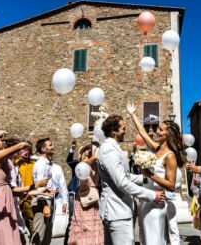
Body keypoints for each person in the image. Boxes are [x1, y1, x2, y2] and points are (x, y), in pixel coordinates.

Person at [97, 114, 165, 245]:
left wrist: (149, 179)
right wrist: (151, 195)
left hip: (120, 211)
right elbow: (122, 183)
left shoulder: (114, 148)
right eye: (123, 128)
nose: (125, 131)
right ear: (113, 131)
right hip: (117, 212)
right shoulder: (109, 150)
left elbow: (128, 177)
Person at [127, 103, 187, 245]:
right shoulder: (156, 148)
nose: (156, 132)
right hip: (147, 200)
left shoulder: (170, 156)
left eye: (161, 130)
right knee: (148, 240)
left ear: (168, 134)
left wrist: (150, 175)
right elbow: (142, 132)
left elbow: (171, 186)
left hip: (158, 203)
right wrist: (133, 114)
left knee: (155, 241)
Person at [68, 143, 104, 245]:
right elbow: (95, 157)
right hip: (84, 196)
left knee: (93, 225)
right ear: (83, 153)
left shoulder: (96, 165)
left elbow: (97, 158)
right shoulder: (82, 163)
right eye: (86, 149)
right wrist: (98, 145)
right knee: (84, 225)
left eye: (90, 149)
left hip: (95, 197)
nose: (89, 150)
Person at [31, 137, 63, 245]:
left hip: (49, 201)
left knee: (46, 239)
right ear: (43, 149)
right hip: (42, 203)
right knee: (38, 238)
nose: (53, 146)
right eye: (50, 145)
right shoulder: (41, 164)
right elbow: (39, 187)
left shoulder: (47, 164)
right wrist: (45, 205)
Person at [16, 142, 37, 236]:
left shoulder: (34, 163)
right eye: (24, 149)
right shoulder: (16, 163)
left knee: (32, 224)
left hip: (29, 197)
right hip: (16, 197)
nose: (26, 152)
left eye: (28, 149)